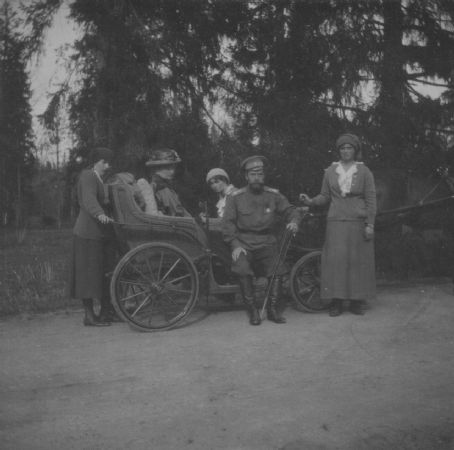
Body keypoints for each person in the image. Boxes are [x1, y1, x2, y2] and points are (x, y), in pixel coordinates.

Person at [300, 133, 377, 316]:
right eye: (342, 148)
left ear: (355, 150)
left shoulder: (364, 171)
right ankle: (336, 301)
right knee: (336, 262)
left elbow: (371, 199)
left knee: (357, 262)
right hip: (335, 222)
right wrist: (310, 201)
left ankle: (357, 300)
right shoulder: (330, 171)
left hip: (358, 222)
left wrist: (370, 224)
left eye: (349, 148)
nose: (346, 151)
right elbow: (325, 196)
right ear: (338, 151)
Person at [222, 155, 299, 325]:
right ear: (246, 177)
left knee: (277, 268)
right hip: (243, 243)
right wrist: (234, 245)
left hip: (267, 242)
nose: (257, 177)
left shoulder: (273, 195)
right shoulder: (235, 197)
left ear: (264, 176)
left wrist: (294, 221)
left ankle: (272, 310)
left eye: (260, 174)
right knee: (241, 268)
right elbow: (227, 224)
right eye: (253, 174)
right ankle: (253, 311)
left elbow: (291, 210)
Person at [69, 147, 116, 326]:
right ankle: (89, 316)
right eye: (105, 161)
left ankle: (103, 312)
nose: (108, 165)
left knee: (97, 273)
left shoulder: (98, 179)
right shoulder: (88, 175)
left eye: (109, 162)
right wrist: (100, 214)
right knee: (87, 276)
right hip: (86, 232)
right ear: (96, 161)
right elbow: (89, 200)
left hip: (96, 233)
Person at [145, 148, 191, 217]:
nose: (172, 171)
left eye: (173, 167)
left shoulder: (167, 188)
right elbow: (178, 214)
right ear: (155, 168)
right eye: (167, 167)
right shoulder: (161, 190)